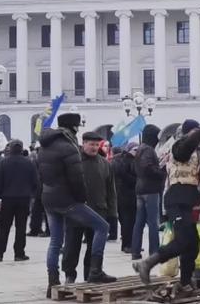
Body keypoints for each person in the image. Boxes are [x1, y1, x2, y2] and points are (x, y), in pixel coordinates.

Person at [136, 119, 200, 298]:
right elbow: (186, 147)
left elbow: (196, 181)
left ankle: (185, 282)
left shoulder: (197, 153)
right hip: (177, 200)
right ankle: (148, 263)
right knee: (183, 240)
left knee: (193, 244)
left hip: (190, 201)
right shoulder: (179, 147)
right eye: (195, 132)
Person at [39, 114, 116, 297]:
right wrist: (81, 199)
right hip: (67, 200)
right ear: (73, 128)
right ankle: (95, 271)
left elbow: (42, 173)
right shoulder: (69, 147)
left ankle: (53, 282)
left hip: (49, 198)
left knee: (55, 242)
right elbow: (76, 178)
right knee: (102, 227)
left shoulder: (45, 145)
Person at [62, 131, 118, 283]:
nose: (94, 148)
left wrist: (113, 214)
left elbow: (111, 191)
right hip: (76, 211)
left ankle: (93, 273)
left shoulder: (105, 164)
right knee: (72, 245)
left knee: (95, 245)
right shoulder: (75, 162)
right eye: (91, 144)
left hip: (99, 210)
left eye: (96, 145)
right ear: (84, 143)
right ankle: (69, 275)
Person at [0, 139, 37, 262]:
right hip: (24, 199)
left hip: (7, 199)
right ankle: (19, 254)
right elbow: (35, 182)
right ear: (21, 149)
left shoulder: (3, 162)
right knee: (21, 227)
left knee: (4, 227)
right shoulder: (29, 163)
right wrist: (31, 194)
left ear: (10, 148)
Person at [131, 124, 164, 261]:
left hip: (140, 189)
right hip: (150, 190)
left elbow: (136, 168)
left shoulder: (140, 149)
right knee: (153, 222)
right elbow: (147, 167)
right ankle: (154, 251)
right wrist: (161, 172)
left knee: (139, 222)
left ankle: (135, 251)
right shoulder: (149, 150)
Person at [112, 142, 137, 254]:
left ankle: (129, 244)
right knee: (128, 221)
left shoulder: (118, 160)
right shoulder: (128, 160)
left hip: (121, 194)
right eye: (135, 150)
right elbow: (127, 177)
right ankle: (127, 245)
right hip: (127, 195)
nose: (137, 152)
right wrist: (137, 180)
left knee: (127, 221)